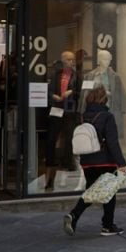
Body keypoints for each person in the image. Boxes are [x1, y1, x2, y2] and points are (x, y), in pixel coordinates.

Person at [63, 86, 126, 236]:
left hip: (87, 161)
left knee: (92, 191)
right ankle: (108, 226)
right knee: (109, 192)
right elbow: (112, 142)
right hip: (105, 160)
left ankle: (74, 216)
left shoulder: (83, 116)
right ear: (104, 99)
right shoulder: (107, 116)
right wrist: (122, 163)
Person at [45, 50, 81, 188]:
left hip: (70, 110)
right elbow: (48, 89)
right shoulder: (55, 74)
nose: (71, 62)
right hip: (56, 108)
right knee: (51, 138)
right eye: (68, 59)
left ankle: (68, 162)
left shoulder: (77, 76)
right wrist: (53, 96)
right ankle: (50, 162)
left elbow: (81, 91)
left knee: (70, 137)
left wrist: (71, 91)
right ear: (62, 60)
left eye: (72, 60)